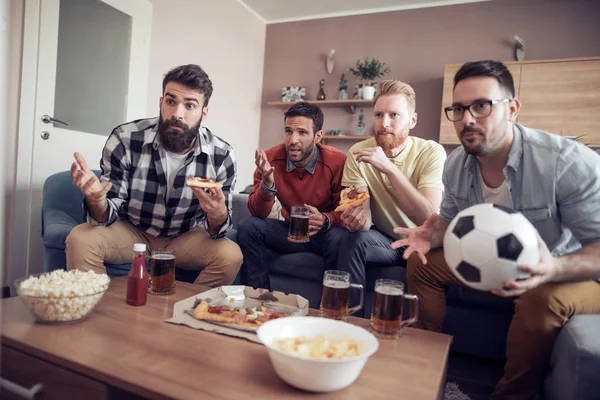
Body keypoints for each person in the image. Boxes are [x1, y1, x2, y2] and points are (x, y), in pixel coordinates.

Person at [393, 60, 600, 399]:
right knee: (421, 261)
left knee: (540, 295)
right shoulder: (457, 164)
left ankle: (511, 394)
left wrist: (553, 269)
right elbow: (447, 221)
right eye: (458, 109)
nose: (468, 119)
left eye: (481, 106)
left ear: (513, 109)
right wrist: (432, 235)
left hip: (572, 273)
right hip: (499, 264)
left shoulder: (566, 163)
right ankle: (422, 363)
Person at [66, 64, 242, 287]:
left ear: (203, 113)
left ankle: (187, 311)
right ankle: (98, 314)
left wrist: (217, 213)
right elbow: (105, 215)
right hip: (132, 231)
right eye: (171, 102)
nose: (177, 113)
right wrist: (97, 200)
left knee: (230, 255)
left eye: (190, 105)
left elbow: (218, 231)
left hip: (185, 236)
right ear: (161, 103)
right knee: (80, 239)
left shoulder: (222, 155)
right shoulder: (125, 138)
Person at [337, 80, 446, 307]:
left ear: (412, 120)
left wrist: (388, 167)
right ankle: (351, 324)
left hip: (422, 239)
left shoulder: (431, 152)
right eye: (378, 115)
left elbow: (428, 217)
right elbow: (363, 219)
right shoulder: (358, 152)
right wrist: (355, 220)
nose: (384, 123)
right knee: (351, 240)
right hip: (385, 240)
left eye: (394, 115)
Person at [237, 102, 347, 290]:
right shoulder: (270, 159)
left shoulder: (337, 161)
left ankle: (329, 307)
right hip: (290, 232)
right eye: (288, 131)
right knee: (249, 227)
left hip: (325, 235)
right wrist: (268, 184)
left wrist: (326, 219)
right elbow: (257, 213)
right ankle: (258, 299)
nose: (293, 140)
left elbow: (348, 209)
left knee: (339, 237)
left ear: (318, 136)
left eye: (302, 133)